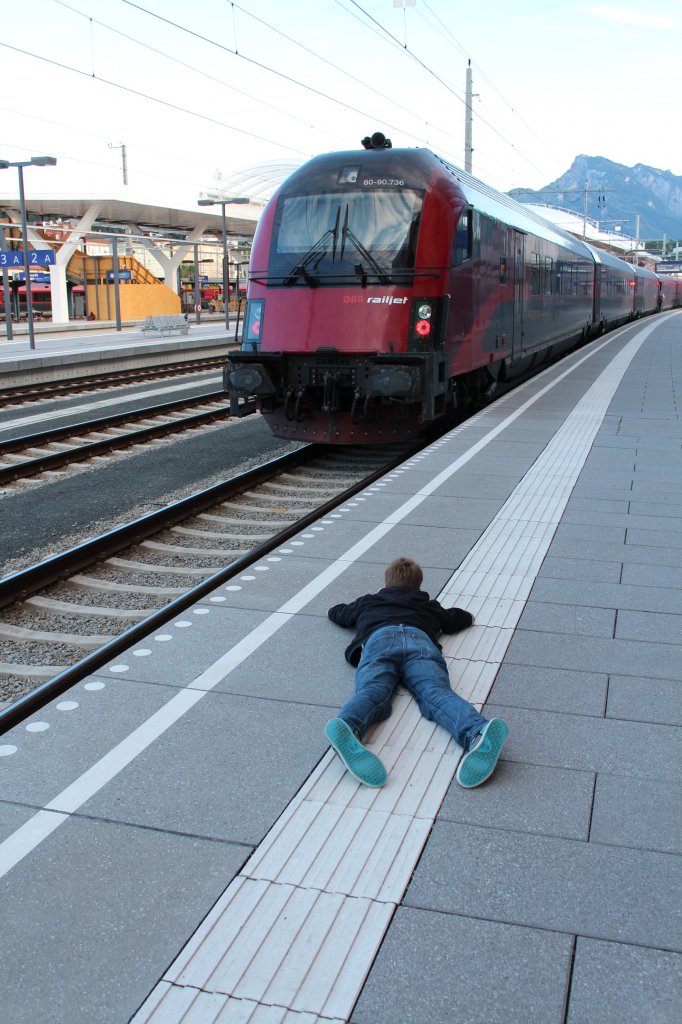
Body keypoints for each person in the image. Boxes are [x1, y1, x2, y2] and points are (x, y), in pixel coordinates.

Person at [325, 556, 508, 789]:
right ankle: (478, 731)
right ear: (418, 587)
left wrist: (333, 610)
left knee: (374, 690)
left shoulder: (369, 601)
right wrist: (469, 616)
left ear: (385, 584)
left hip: (379, 640)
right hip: (419, 640)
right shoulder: (427, 604)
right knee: (435, 692)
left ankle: (348, 725)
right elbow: (454, 619)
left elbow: (340, 613)